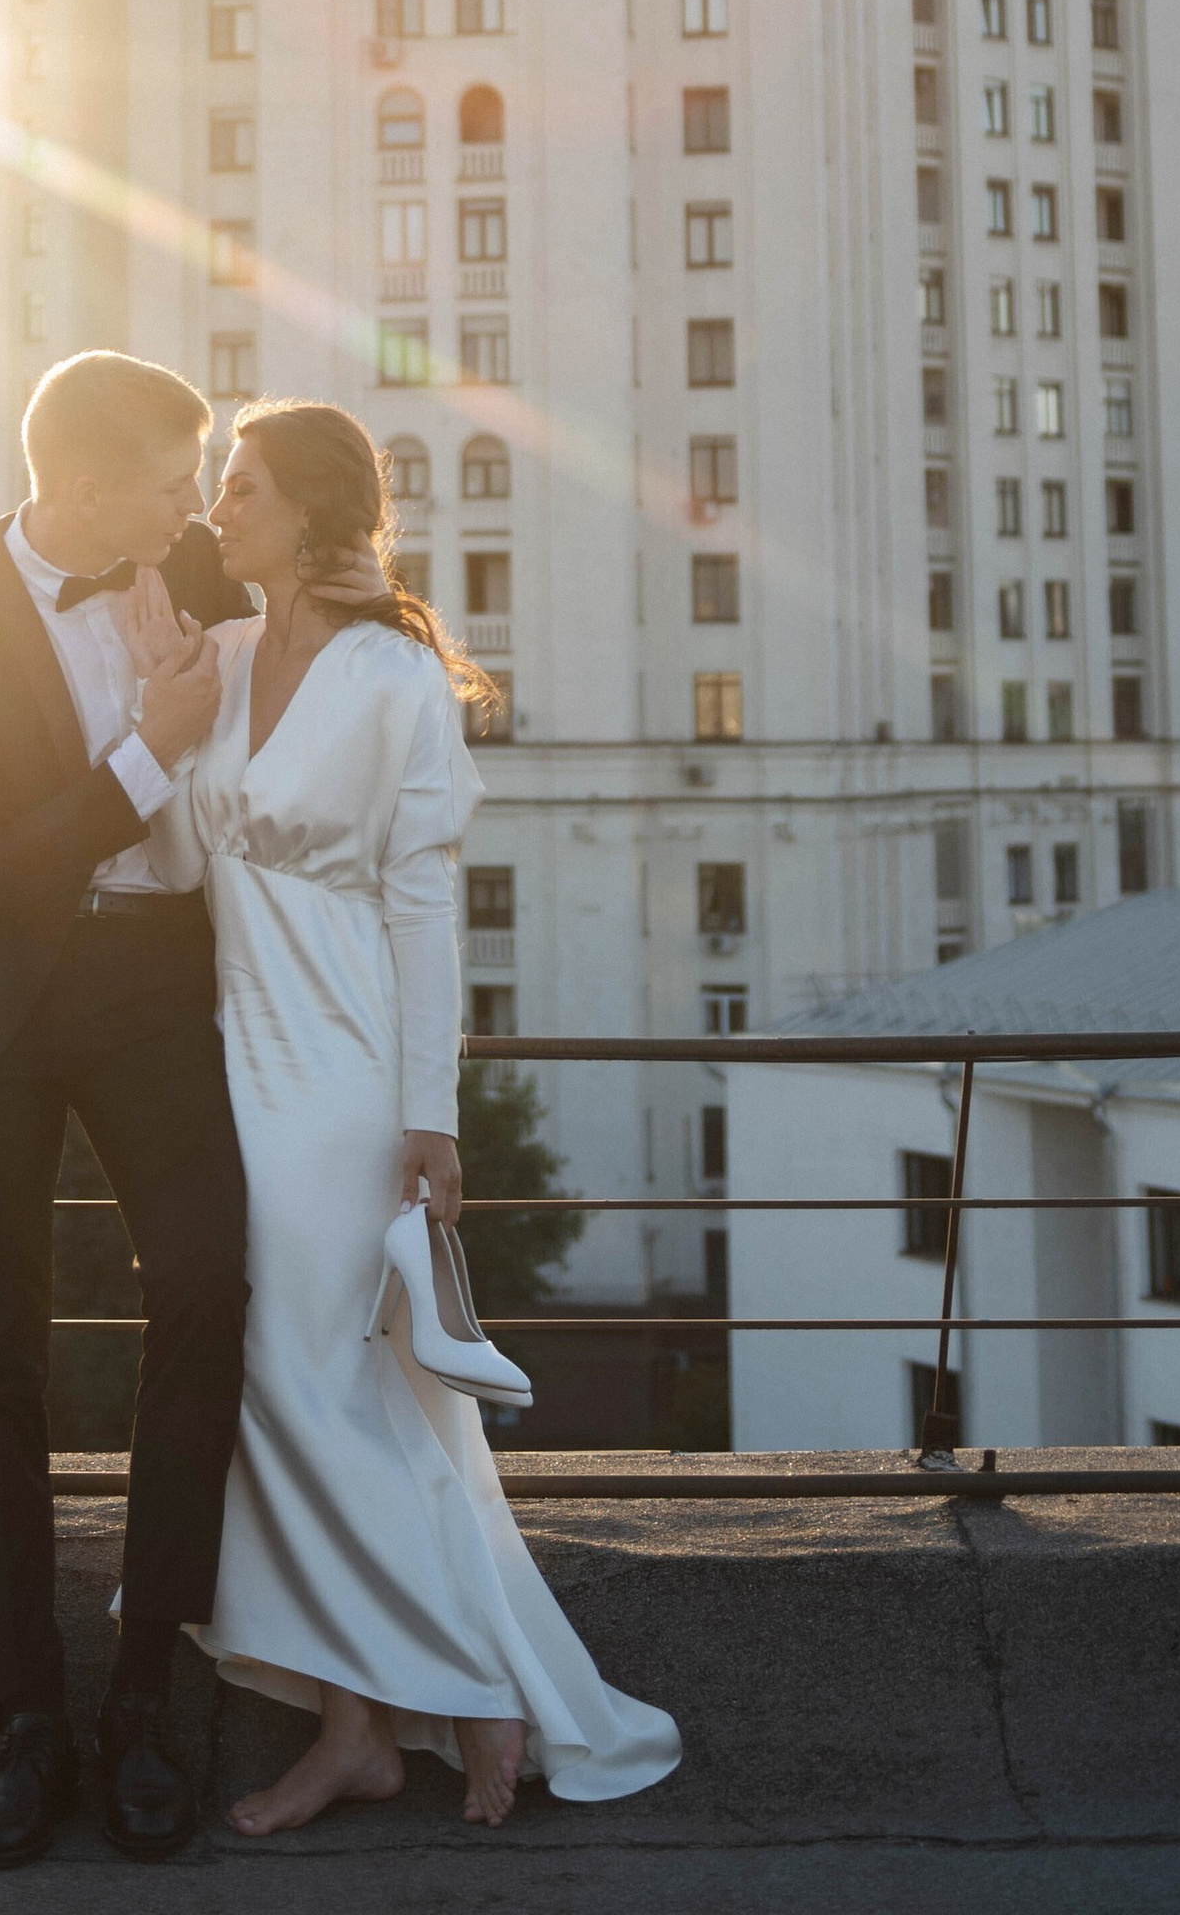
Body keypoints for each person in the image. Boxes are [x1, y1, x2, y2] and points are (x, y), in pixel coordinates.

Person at [152, 397, 684, 1834]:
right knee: (319, 1396)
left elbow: (422, 901)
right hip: (233, 1059)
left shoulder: (394, 679)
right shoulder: (220, 652)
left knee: (305, 1382)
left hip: (339, 1080)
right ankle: (359, 1729)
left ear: (314, 512)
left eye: (243, 487)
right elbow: (168, 860)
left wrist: (428, 1111)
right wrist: (153, 725)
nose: (218, 510)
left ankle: (464, 1689)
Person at [0, 349, 251, 1870]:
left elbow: (341, 627)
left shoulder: (202, 566)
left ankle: (145, 1694)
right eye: (172, 480)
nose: (195, 503)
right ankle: (22, 1725)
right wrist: (153, 738)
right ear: (85, 486)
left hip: (162, 981)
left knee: (214, 1284)